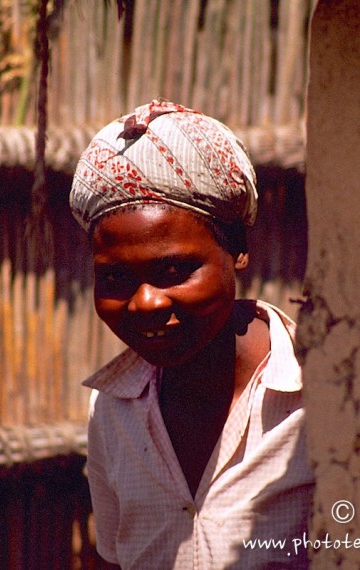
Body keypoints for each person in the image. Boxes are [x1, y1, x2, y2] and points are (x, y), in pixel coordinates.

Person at [69, 99, 314, 569]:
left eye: (175, 269)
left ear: (238, 248)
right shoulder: (113, 410)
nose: (146, 303)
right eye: (116, 279)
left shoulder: (320, 400)